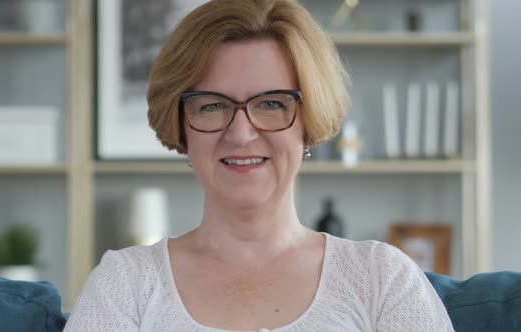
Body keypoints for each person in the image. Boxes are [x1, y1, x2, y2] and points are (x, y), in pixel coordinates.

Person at [65, 0, 454, 331]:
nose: (240, 134)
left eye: (271, 104)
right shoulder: (125, 283)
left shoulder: (383, 278)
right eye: (212, 105)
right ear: (182, 127)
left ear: (308, 121)